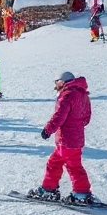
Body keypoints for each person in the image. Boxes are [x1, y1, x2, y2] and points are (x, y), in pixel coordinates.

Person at [27, 72, 93, 204]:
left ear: (63, 81)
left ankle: (81, 193)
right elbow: (87, 117)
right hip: (75, 138)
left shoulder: (67, 95)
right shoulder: (83, 95)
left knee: (73, 166)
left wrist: (48, 129)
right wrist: (77, 126)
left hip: (67, 139)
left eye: (57, 81)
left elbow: (59, 116)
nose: (56, 84)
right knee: (54, 163)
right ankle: (49, 188)